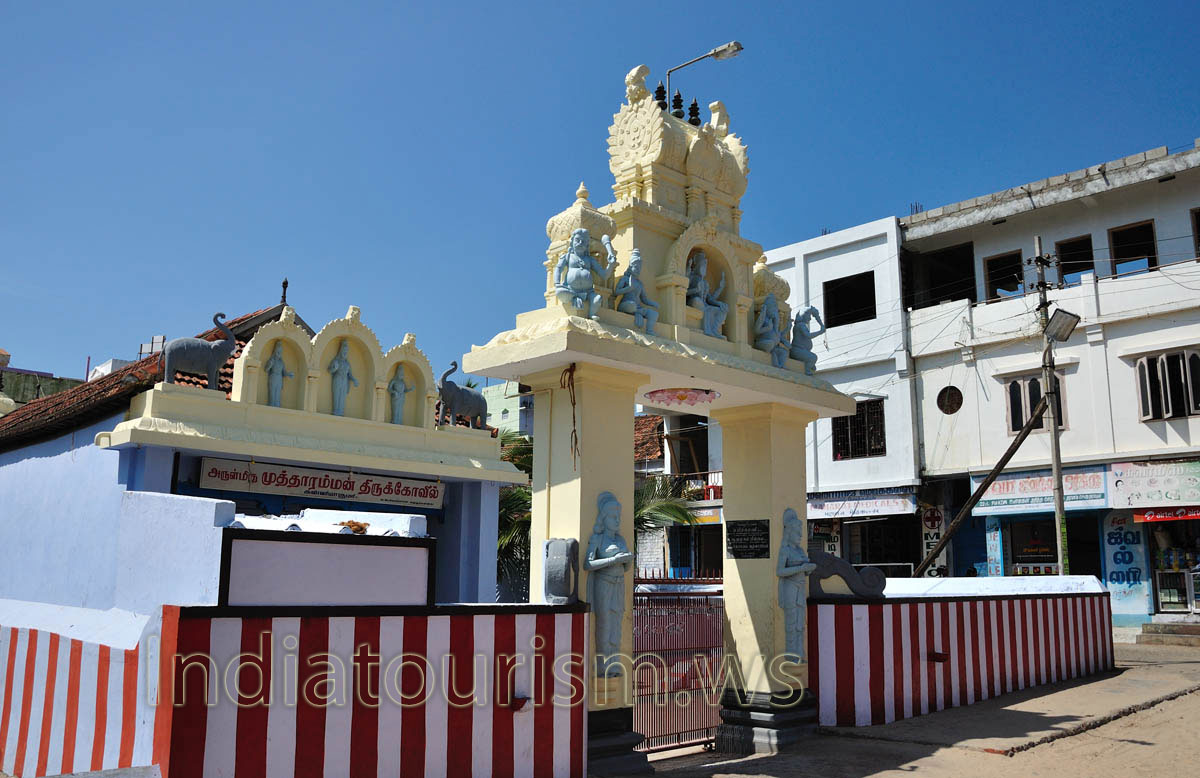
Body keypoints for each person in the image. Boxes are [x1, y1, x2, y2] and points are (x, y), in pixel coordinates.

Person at [584, 492, 634, 676]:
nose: (617, 520)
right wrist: (612, 560)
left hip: (619, 583)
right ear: (604, 518)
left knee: (617, 624)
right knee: (604, 624)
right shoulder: (598, 539)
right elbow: (588, 564)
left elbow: (627, 567)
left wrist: (627, 559)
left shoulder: (620, 540)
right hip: (603, 583)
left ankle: (615, 664)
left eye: (618, 516)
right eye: (613, 517)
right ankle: (603, 666)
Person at [777, 508, 817, 660]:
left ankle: (799, 653)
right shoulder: (785, 550)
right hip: (790, 587)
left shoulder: (800, 550)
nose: (800, 535)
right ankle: (791, 654)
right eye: (797, 532)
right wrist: (801, 568)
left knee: (801, 621)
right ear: (789, 533)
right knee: (792, 621)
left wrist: (807, 570)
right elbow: (780, 571)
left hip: (800, 586)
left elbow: (804, 568)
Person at [554, 228, 617, 320]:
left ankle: (591, 314)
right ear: (572, 242)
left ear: (587, 244)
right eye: (577, 240)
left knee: (598, 299)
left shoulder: (590, 260)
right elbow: (558, 269)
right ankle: (574, 297)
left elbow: (604, 275)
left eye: (583, 241)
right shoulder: (568, 256)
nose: (580, 243)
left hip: (588, 292)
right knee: (559, 292)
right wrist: (557, 283)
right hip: (571, 290)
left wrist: (611, 265)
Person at [613, 248, 659, 334]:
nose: (638, 270)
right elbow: (616, 292)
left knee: (654, 314)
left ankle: (649, 330)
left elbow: (644, 299)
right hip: (626, 305)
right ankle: (638, 313)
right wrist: (628, 288)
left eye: (639, 268)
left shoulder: (639, 284)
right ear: (630, 267)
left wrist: (654, 304)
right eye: (636, 267)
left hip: (637, 308)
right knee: (632, 305)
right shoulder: (625, 279)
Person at [686, 251, 728, 338]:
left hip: (704, 304)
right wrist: (695, 290)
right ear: (698, 266)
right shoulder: (692, 277)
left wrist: (720, 289)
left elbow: (710, 299)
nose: (704, 268)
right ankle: (708, 331)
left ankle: (714, 331)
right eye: (703, 266)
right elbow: (684, 291)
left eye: (705, 266)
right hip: (694, 301)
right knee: (698, 301)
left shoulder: (705, 282)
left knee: (722, 309)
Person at [754, 293, 790, 368]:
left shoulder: (774, 323)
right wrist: (767, 328)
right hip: (763, 343)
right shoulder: (763, 318)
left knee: (783, 352)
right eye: (772, 307)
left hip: (773, 346)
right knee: (770, 343)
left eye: (775, 308)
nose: (774, 310)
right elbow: (756, 331)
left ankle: (780, 366)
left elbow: (779, 336)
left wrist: (787, 328)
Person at [790, 306, 826, 376]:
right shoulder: (801, 325)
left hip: (801, 350)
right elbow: (808, 335)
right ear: (804, 315)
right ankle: (807, 370)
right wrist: (820, 332)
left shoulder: (800, 325)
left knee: (812, 360)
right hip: (797, 350)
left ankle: (809, 367)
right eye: (808, 316)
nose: (809, 319)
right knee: (813, 357)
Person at [327, 339, 359, 417]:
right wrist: (335, 368)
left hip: (344, 380)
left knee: (342, 397)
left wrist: (354, 379)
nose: (345, 353)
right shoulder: (336, 360)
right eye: (344, 351)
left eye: (346, 352)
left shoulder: (347, 363)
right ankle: (335, 411)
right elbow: (330, 370)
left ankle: (340, 412)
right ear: (341, 351)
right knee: (337, 395)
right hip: (337, 379)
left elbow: (350, 374)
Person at [264, 341, 294, 408]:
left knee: (278, 393)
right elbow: (266, 370)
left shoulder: (281, 362)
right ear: (275, 352)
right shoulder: (272, 360)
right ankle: (271, 405)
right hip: (273, 377)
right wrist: (270, 364)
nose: (279, 353)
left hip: (279, 378)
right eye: (278, 352)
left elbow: (284, 372)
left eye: (280, 352)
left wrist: (289, 374)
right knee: (272, 393)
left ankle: (277, 406)